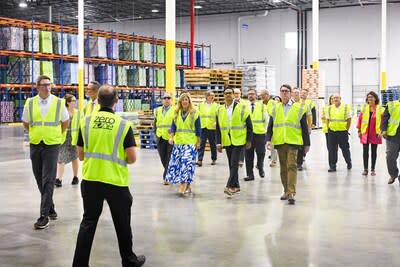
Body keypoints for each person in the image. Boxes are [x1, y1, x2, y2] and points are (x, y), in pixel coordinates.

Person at [73, 85, 145, 267]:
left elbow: (80, 155)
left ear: (97, 100)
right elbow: (132, 158)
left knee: (88, 223)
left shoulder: (86, 122)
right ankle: (129, 261)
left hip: (90, 180)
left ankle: (79, 264)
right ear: (116, 101)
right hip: (115, 182)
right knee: (122, 224)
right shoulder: (123, 125)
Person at [22, 75, 69, 229]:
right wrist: (36, 134)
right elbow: (26, 122)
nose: (47, 87)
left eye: (49, 85)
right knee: (38, 178)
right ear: (37, 87)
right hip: (35, 143)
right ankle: (50, 207)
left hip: (52, 144)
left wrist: (57, 137)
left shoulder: (58, 102)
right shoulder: (30, 103)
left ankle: (44, 216)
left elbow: (65, 122)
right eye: (43, 85)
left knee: (48, 178)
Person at [266, 84, 310, 205]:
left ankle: (291, 192)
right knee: (283, 168)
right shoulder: (275, 108)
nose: (284, 93)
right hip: (280, 141)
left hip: (293, 141)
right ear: (280, 93)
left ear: (290, 93)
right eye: (282, 91)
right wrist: (268, 139)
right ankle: (285, 190)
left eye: (286, 91)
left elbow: (304, 127)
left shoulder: (298, 108)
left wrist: (307, 143)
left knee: (292, 165)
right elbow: (270, 125)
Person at [216, 88, 253, 197]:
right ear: (224, 95)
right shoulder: (220, 109)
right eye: (226, 93)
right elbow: (218, 127)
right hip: (227, 141)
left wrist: (249, 140)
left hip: (239, 139)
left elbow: (249, 125)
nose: (228, 95)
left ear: (233, 95)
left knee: (234, 163)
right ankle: (236, 186)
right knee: (231, 164)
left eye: (230, 93)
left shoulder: (242, 107)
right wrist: (218, 142)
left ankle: (229, 186)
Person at [165, 92, 201, 195]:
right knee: (179, 164)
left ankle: (183, 185)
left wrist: (198, 142)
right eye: (183, 100)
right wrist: (171, 137)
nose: (185, 101)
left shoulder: (195, 113)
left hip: (190, 143)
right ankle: (188, 184)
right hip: (179, 143)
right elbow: (173, 127)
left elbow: (198, 129)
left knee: (186, 163)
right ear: (180, 101)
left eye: (187, 99)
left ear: (189, 101)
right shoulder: (176, 113)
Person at [55, 94, 81, 187]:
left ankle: (75, 177)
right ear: (68, 102)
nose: (75, 102)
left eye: (75, 100)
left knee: (74, 158)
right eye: (73, 101)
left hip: (74, 139)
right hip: (63, 138)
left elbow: (80, 125)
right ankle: (59, 179)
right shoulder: (62, 112)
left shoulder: (78, 113)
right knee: (60, 159)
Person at [357, 91, 384, 176]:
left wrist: (383, 131)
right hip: (365, 132)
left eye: (372, 97)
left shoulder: (380, 108)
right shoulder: (364, 108)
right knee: (365, 151)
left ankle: (373, 169)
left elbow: (384, 121)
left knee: (374, 151)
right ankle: (365, 169)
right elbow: (360, 120)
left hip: (375, 133)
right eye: (368, 97)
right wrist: (359, 131)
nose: (370, 99)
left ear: (375, 98)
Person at [244, 88, 268, 181]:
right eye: (249, 94)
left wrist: (266, 132)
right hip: (248, 134)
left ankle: (260, 166)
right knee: (248, 154)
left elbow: (267, 120)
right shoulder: (244, 106)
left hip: (260, 133)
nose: (251, 95)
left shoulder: (262, 106)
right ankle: (250, 174)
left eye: (252, 94)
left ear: (256, 95)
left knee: (261, 153)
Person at [326, 94, 352, 172]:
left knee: (345, 149)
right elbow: (327, 120)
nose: (335, 99)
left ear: (340, 98)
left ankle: (348, 162)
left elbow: (349, 120)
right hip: (332, 132)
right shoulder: (329, 108)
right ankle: (332, 166)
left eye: (337, 98)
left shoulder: (346, 107)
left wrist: (346, 129)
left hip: (342, 132)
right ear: (332, 99)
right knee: (332, 149)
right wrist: (329, 128)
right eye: (334, 98)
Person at [154, 92, 174, 185]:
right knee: (163, 157)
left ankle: (166, 177)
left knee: (169, 157)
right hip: (160, 137)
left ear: (171, 100)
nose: (166, 100)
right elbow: (155, 123)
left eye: (168, 98)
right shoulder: (157, 110)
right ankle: (170, 172)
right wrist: (156, 134)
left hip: (170, 138)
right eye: (165, 98)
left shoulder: (175, 110)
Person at [197, 90, 218, 166]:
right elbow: (197, 115)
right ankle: (200, 160)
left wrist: (216, 122)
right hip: (203, 127)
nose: (212, 97)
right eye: (210, 95)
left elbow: (218, 116)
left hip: (212, 127)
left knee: (213, 144)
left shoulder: (216, 106)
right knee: (201, 144)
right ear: (206, 97)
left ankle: (214, 159)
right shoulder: (201, 105)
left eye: (213, 95)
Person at [296, 88, 316, 170]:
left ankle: (302, 156)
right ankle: (298, 159)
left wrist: (311, 125)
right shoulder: (295, 102)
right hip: (295, 127)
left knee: (305, 143)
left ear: (307, 94)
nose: (302, 94)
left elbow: (312, 114)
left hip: (305, 125)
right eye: (302, 93)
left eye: (304, 93)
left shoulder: (309, 102)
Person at [382, 99, 400, 184]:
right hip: (393, 135)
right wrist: (384, 130)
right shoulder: (391, 104)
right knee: (390, 157)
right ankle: (393, 175)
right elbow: (385, 119)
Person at [233, 88, 246, 167]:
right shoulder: (231, 103)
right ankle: (235, 159)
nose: (236, 95)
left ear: (240, 94)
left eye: (238, 93)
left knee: (242, 146)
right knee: (235, 146)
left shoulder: (244, 103)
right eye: (235, 93)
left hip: (242, 128)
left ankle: (241, 160)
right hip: (233, 129)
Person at [269, 96, 281, 167]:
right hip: (274, 130)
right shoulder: (271, 109)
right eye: (275, 100)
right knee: (273, 146)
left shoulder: (282, 108)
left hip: (281, 131)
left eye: (278, 100)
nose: (276, 102)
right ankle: (273, 160)